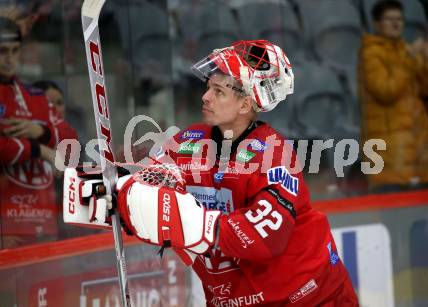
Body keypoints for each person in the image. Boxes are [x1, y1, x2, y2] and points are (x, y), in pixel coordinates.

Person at [68, 40, 359, 306]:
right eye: (208, 87)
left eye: (218, 92)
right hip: (233, 299)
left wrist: (196, 225)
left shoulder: (275, 154)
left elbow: (267, 235)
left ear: (246, 103)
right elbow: (149, 182)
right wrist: (109, 191)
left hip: (312, 297)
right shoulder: (189, 141)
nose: (205, 97)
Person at [0, 16, 74, 248]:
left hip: (44, 218)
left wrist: (39, 131)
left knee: (52, 282)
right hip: (6, 225)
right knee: (10, 285)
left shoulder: (35, 96)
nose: (9, 59)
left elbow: (70, 138)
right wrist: (43, 151)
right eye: (2, 51)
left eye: (14, 51)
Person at [358, 0, 428, 191]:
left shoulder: (405, 50)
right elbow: (386, 91)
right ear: (377, 24)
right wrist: (410, 58)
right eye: (390, 19)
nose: (396, 23)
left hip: (421, 148)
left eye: (400, 19)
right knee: (395, 216)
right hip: (392, 152)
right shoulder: (370, 53)